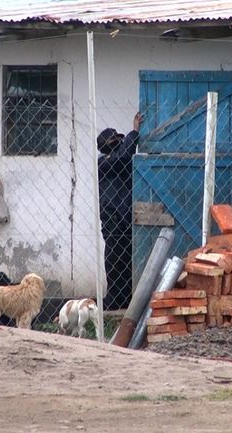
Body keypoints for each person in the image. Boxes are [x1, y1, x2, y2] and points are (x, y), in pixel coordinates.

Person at [97, 112, 142, 310]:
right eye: (114, 140)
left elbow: (124, 155)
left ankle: (125, 298)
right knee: (114, 259)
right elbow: (124, 155)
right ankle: (114, 299)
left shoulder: (118, 159)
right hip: (112, 218)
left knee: (127, 258)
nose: (118, 141)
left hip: (124, 216)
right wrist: (134, 131)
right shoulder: (104, 162)